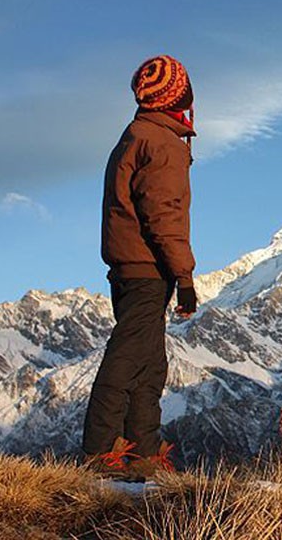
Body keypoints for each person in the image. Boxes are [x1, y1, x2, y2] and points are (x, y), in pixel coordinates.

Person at [83, 55, 198, 478]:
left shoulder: (137, 135)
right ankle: (100, 452)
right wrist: (183, 277)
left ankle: (140, 451)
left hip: (132, 265)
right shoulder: (161, 142)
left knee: (150, 360)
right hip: (147, 267)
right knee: (130, 356)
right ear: (177, 96)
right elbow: (163, 213)